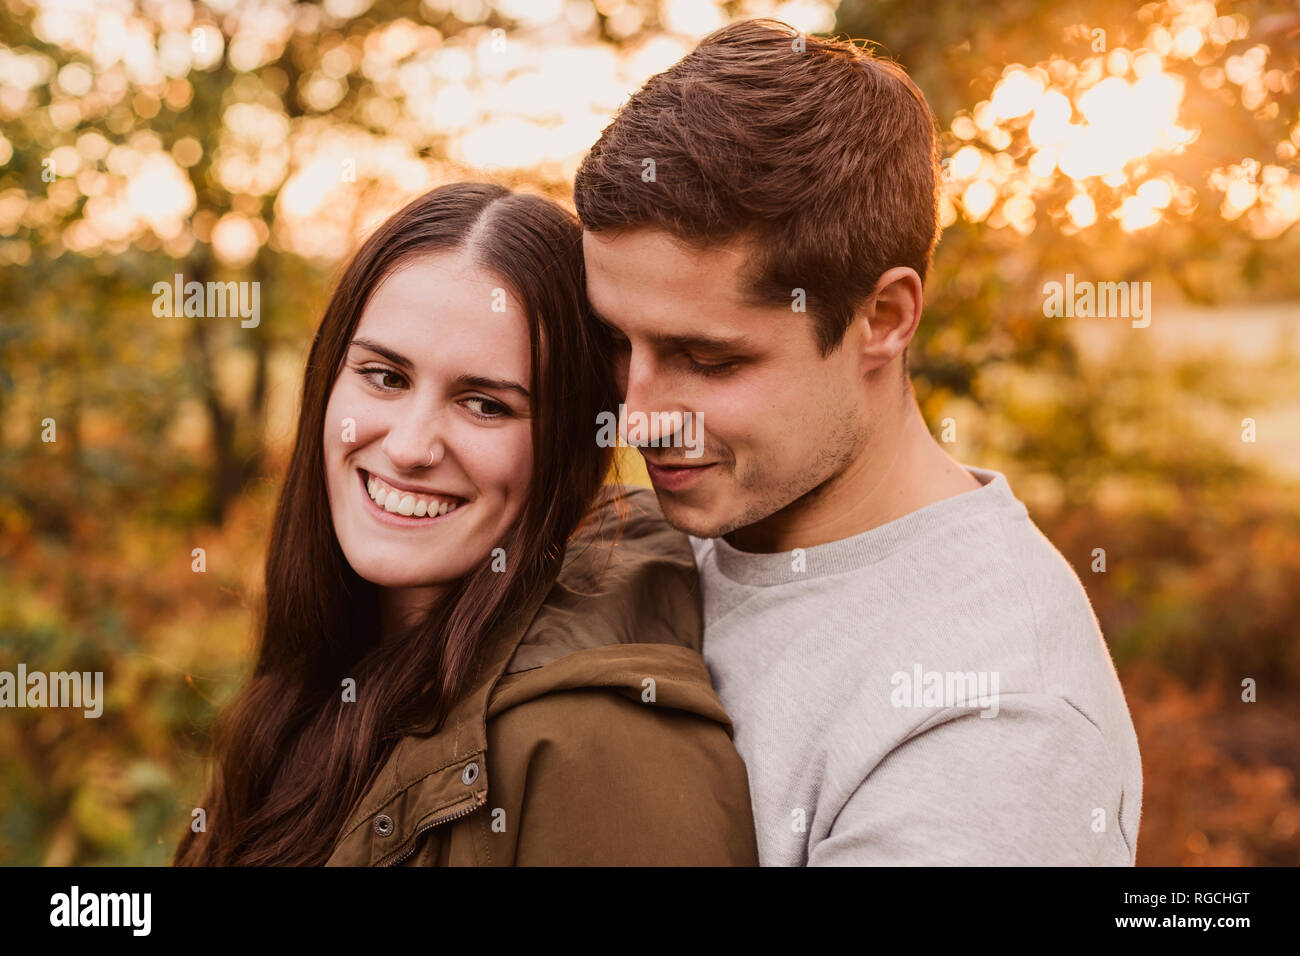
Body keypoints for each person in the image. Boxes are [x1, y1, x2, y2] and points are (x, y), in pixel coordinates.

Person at [574, 19, 1142, 865]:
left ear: (883, 318)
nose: (640, 414)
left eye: (709, 359)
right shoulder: (655, 533)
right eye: (618, 341)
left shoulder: (997, 725)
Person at [173, 183, 758, 866]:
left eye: (485, 405)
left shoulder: (598, 745)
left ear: (571, 447)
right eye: (385, 376)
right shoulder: (324, 680)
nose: (410, 447)